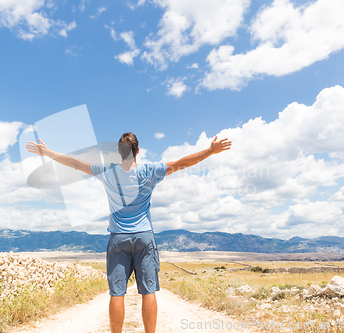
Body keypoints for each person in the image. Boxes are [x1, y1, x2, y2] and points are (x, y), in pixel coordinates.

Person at [26, 132, 232, 333]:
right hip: (144, 237)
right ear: (138, 151)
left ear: (119, 151)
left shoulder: (107, 171)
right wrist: (209, 151)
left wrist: (48, 152)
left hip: (118, 238)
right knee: (148, 291)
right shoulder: (150, 171)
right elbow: (182, 163)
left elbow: (75, 164)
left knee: (117, 293)